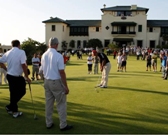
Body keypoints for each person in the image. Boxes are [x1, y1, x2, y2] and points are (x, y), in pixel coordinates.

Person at [40, 37, 73, 131]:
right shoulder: (58, 55)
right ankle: (63, 125)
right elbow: (61, 72)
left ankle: (48, 123)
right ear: (56, 44)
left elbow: (41, 70)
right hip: (56, 82)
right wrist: (66, 86)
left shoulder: (44, 55)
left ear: (49, 44)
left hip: (47, 81)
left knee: (49, 103)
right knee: (61, 103)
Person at [0, 40, 31, 118]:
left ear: (12, 45)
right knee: (20, 92)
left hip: (10, 76)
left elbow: (0, 61)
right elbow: (23, 65)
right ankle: (14, 111)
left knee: (14, 93)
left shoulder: (8, 53)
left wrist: (6, 68)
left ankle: (11, 107)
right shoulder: (21, 52)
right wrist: (27, 77)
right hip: (15, 76)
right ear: (19, 45)